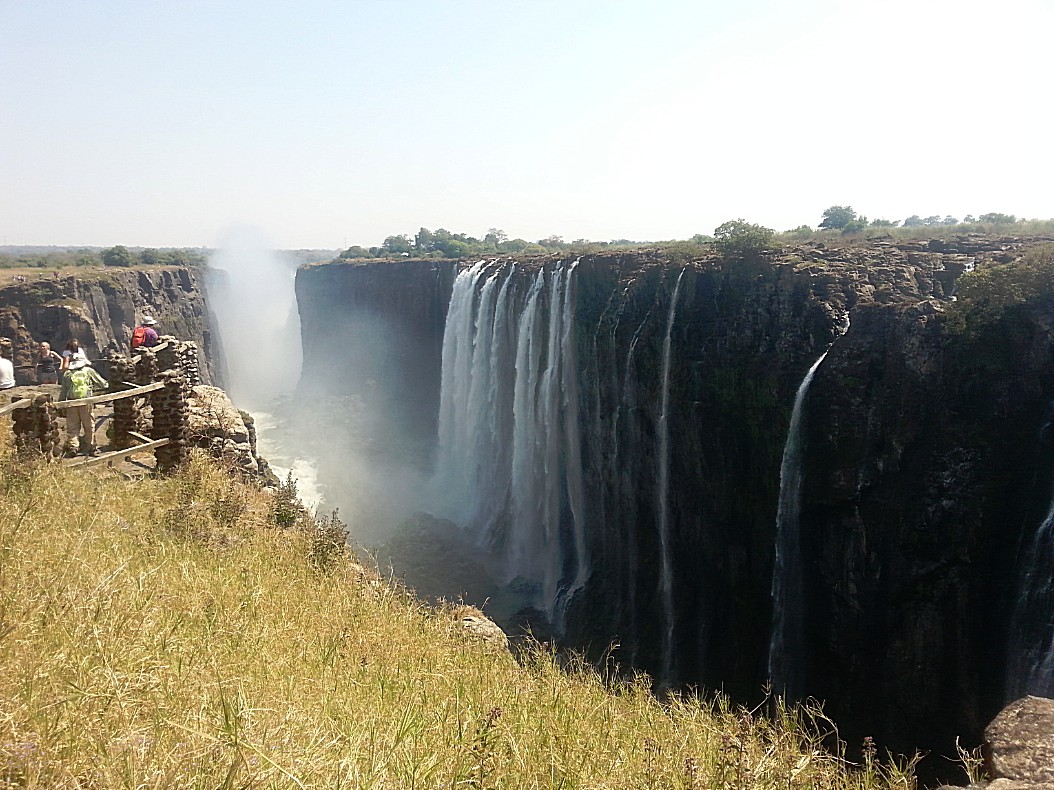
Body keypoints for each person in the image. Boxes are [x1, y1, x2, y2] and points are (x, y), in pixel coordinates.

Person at [61, 357, 108, 456]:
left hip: (71, 402)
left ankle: (73, 447)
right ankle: (91, 447)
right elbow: (103, 384)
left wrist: (61, 404)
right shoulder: (88, 371)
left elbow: (63, 391)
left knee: (73, 426)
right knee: (89, 425)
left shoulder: (67, 374)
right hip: (86, 402)